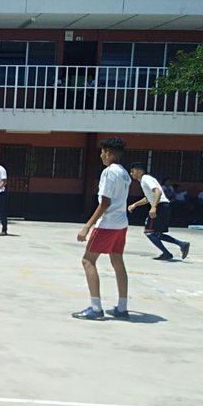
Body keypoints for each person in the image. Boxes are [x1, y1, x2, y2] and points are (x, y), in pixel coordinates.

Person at [73, 137, 131, 320]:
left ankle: (96, 308)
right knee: (118, 262)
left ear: (109, 153)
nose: (101, 156)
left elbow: (105, 202)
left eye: (103, 152)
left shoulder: (108, 172)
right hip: (121, 223)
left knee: (88, 261)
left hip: (108, 223)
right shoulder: (124, 173)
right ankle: (122, 307)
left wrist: (87, 226)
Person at [127, 163, 190, 261]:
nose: (131, 173)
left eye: (132, 171)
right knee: (157, 234)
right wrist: (135, 205)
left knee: (149, 232)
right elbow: (148, 198)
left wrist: (153, 207)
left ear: (140, 171)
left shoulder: (145, 179)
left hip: (160, 206)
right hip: (164, 206)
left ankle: (166, 253)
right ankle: (182, 244)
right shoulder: (145, 180)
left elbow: (158, 192)